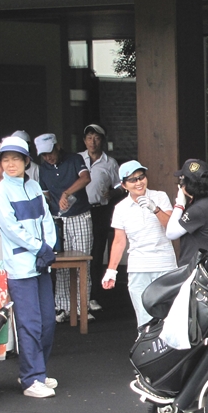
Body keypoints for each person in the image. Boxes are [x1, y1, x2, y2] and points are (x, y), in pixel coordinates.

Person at [0, 136, 58, 399]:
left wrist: (49, 247)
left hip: (41, 264)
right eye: (5, 159)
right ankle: (31, 378)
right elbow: (11, 229)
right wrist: (40, 248)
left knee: (48, 322)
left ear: (26, 161)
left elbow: (46, 218)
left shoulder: (34, 186)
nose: (10, 164)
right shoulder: (0, 192)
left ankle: (38, 371)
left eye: (15, 159)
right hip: (20, 266)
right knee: (30, 324)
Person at [101, 160, 177, 328]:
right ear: (124, 185)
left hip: (164, 264)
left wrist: (155, 209)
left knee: (169, 317)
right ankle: (147, 344)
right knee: (144, 318)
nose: (139, 183)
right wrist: (111, 271)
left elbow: (171, 227)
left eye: (141, 177)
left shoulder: (159, 196)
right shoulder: (121, 208)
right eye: (132, 180)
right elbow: (119, 241)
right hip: (138, 267)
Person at [34, 133, 94, 323]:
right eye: (44, 155)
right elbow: (45, 195)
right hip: (57, 220)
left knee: (83, 262)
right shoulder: (43, 169)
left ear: (57, 146)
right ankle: (63, 306)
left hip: (80, 216)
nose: (48, 157)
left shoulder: (74, 159)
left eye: (50, 153)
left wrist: (66, 193)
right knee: (59, 264)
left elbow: (85, 178)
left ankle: (82, 306)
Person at [78, 123, 120, 312]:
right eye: (89, 138)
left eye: (96, 138)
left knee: (96, 254)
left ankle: (93, 295)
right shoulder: (78, 159)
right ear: (84, 141)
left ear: (102, 140)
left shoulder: (110, 162)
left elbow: (120, 186)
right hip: (79, 211)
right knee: (79, 254)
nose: (92, 142)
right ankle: (78, 296)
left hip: (100, 211)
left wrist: (112, 193)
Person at [166, 159, 208, 268]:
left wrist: (179, 204)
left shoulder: (199, 209)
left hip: (195, 268)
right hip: (207, 266)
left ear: (187, 183)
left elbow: (171, 233)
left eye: (182, 179)